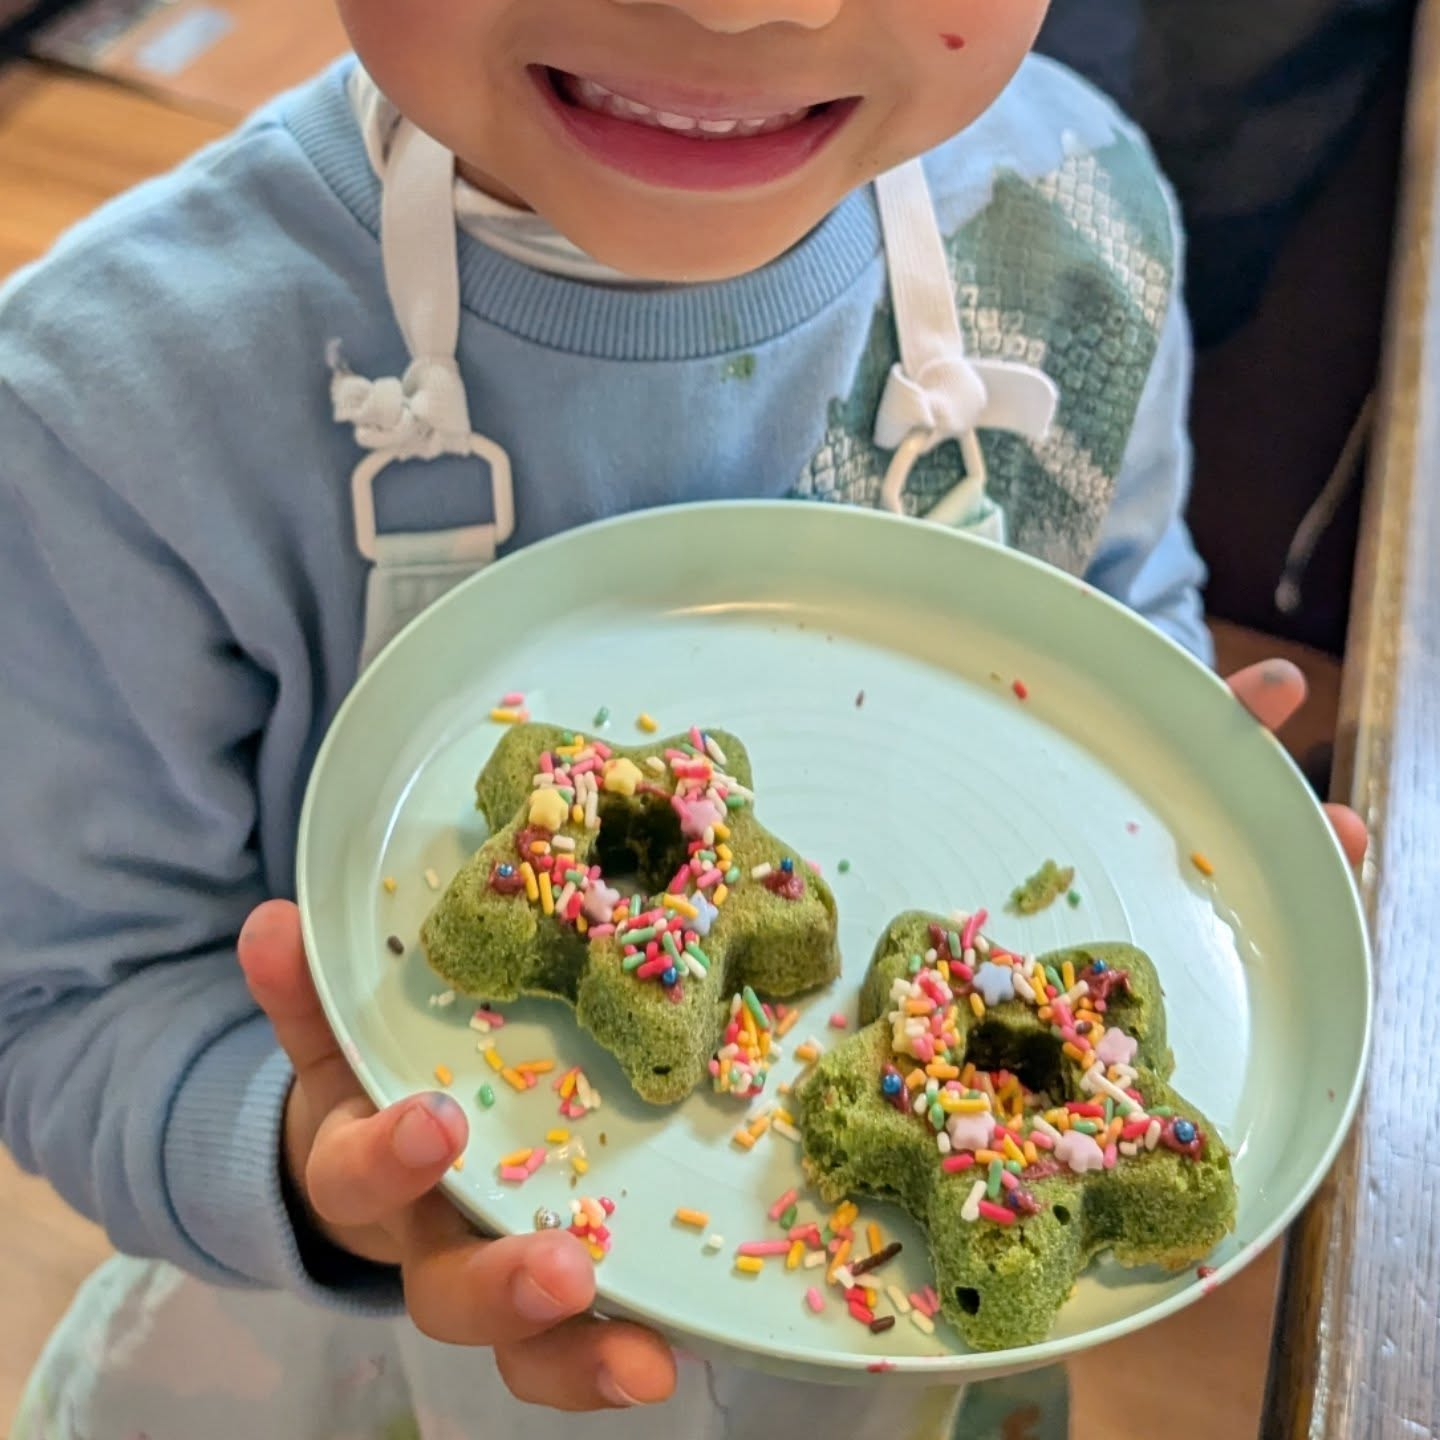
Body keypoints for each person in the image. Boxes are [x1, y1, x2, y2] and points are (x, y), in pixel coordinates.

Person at [0, 1, 1365, 1436]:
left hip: (924, 1321)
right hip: (348, 1363)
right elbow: (61, 1005)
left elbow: (1121, 595)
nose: (734, 3)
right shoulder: (109, 411)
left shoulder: (1075, 226)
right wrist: (313, 1176)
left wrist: (1173, 781)